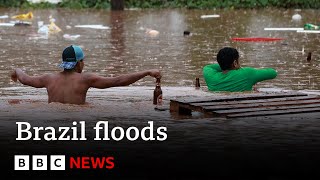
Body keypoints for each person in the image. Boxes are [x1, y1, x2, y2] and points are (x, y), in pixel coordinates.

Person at [11, 45, 161, 105]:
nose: (84, 64)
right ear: (78, 63)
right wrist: (146, 72)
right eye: (82, 61)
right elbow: (118, 81)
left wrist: (16, 71)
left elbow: (24, 79)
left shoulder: (48, 79)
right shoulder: (85, 79)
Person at [203, 47, 277, 92]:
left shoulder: (210, 76)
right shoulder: (247, 73)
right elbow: (273, 73)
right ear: (235, 63)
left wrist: (224, 64)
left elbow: (208, 67)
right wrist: (240, 68)